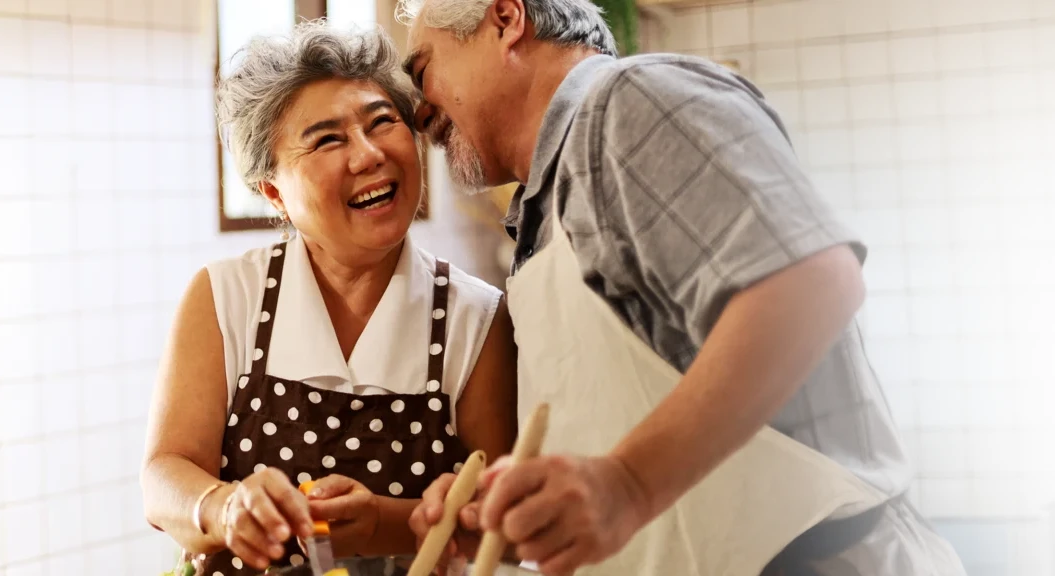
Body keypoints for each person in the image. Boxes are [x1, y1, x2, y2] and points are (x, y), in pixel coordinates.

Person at [396, 1, 967, 575]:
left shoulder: (626, 103)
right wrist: (518, 519)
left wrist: (627, 485)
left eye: (423, 72)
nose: (421, 113)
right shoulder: (543, 211)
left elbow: (813, 282)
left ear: (506, 19)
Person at [140, 21, 518, 576]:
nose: (368, 156)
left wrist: (381, 524)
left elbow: (501, 528)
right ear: (274, 192)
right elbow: (163, 474)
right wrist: (223, 507)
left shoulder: (476, 319)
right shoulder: (227, 296)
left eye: (382, 122)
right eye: (327, 139)